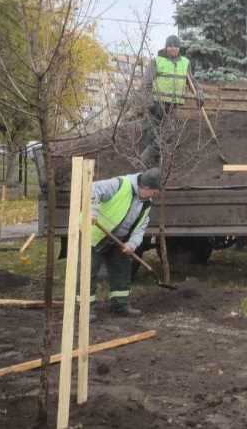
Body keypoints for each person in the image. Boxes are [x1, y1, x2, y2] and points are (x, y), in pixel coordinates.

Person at [89, 167, 161, 317]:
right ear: (146, 187)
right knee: (88, 272)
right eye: (154, 192)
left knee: (122, 270)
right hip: (94, 235)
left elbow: (140, 227)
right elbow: (92, 188)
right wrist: (92, 211)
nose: (155, 196)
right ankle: (86, 310)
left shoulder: (146, 203)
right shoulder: (120, 184)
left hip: (119, 239)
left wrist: (132, 244)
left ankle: (120, 306)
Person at [141, 35, 204, 165]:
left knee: (169, 132)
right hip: (157, 104)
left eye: (175, 46)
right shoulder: (157, 61)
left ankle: (152, 158)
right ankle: (147, 163)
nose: (173, 49)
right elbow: (146, 83)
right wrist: (148, 101)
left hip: (173, 105)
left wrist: (199, 93)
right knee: (151, 133)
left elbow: (191, 81)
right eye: (170, 46)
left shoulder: (185, 63)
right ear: (166, 47)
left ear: (179, 48)